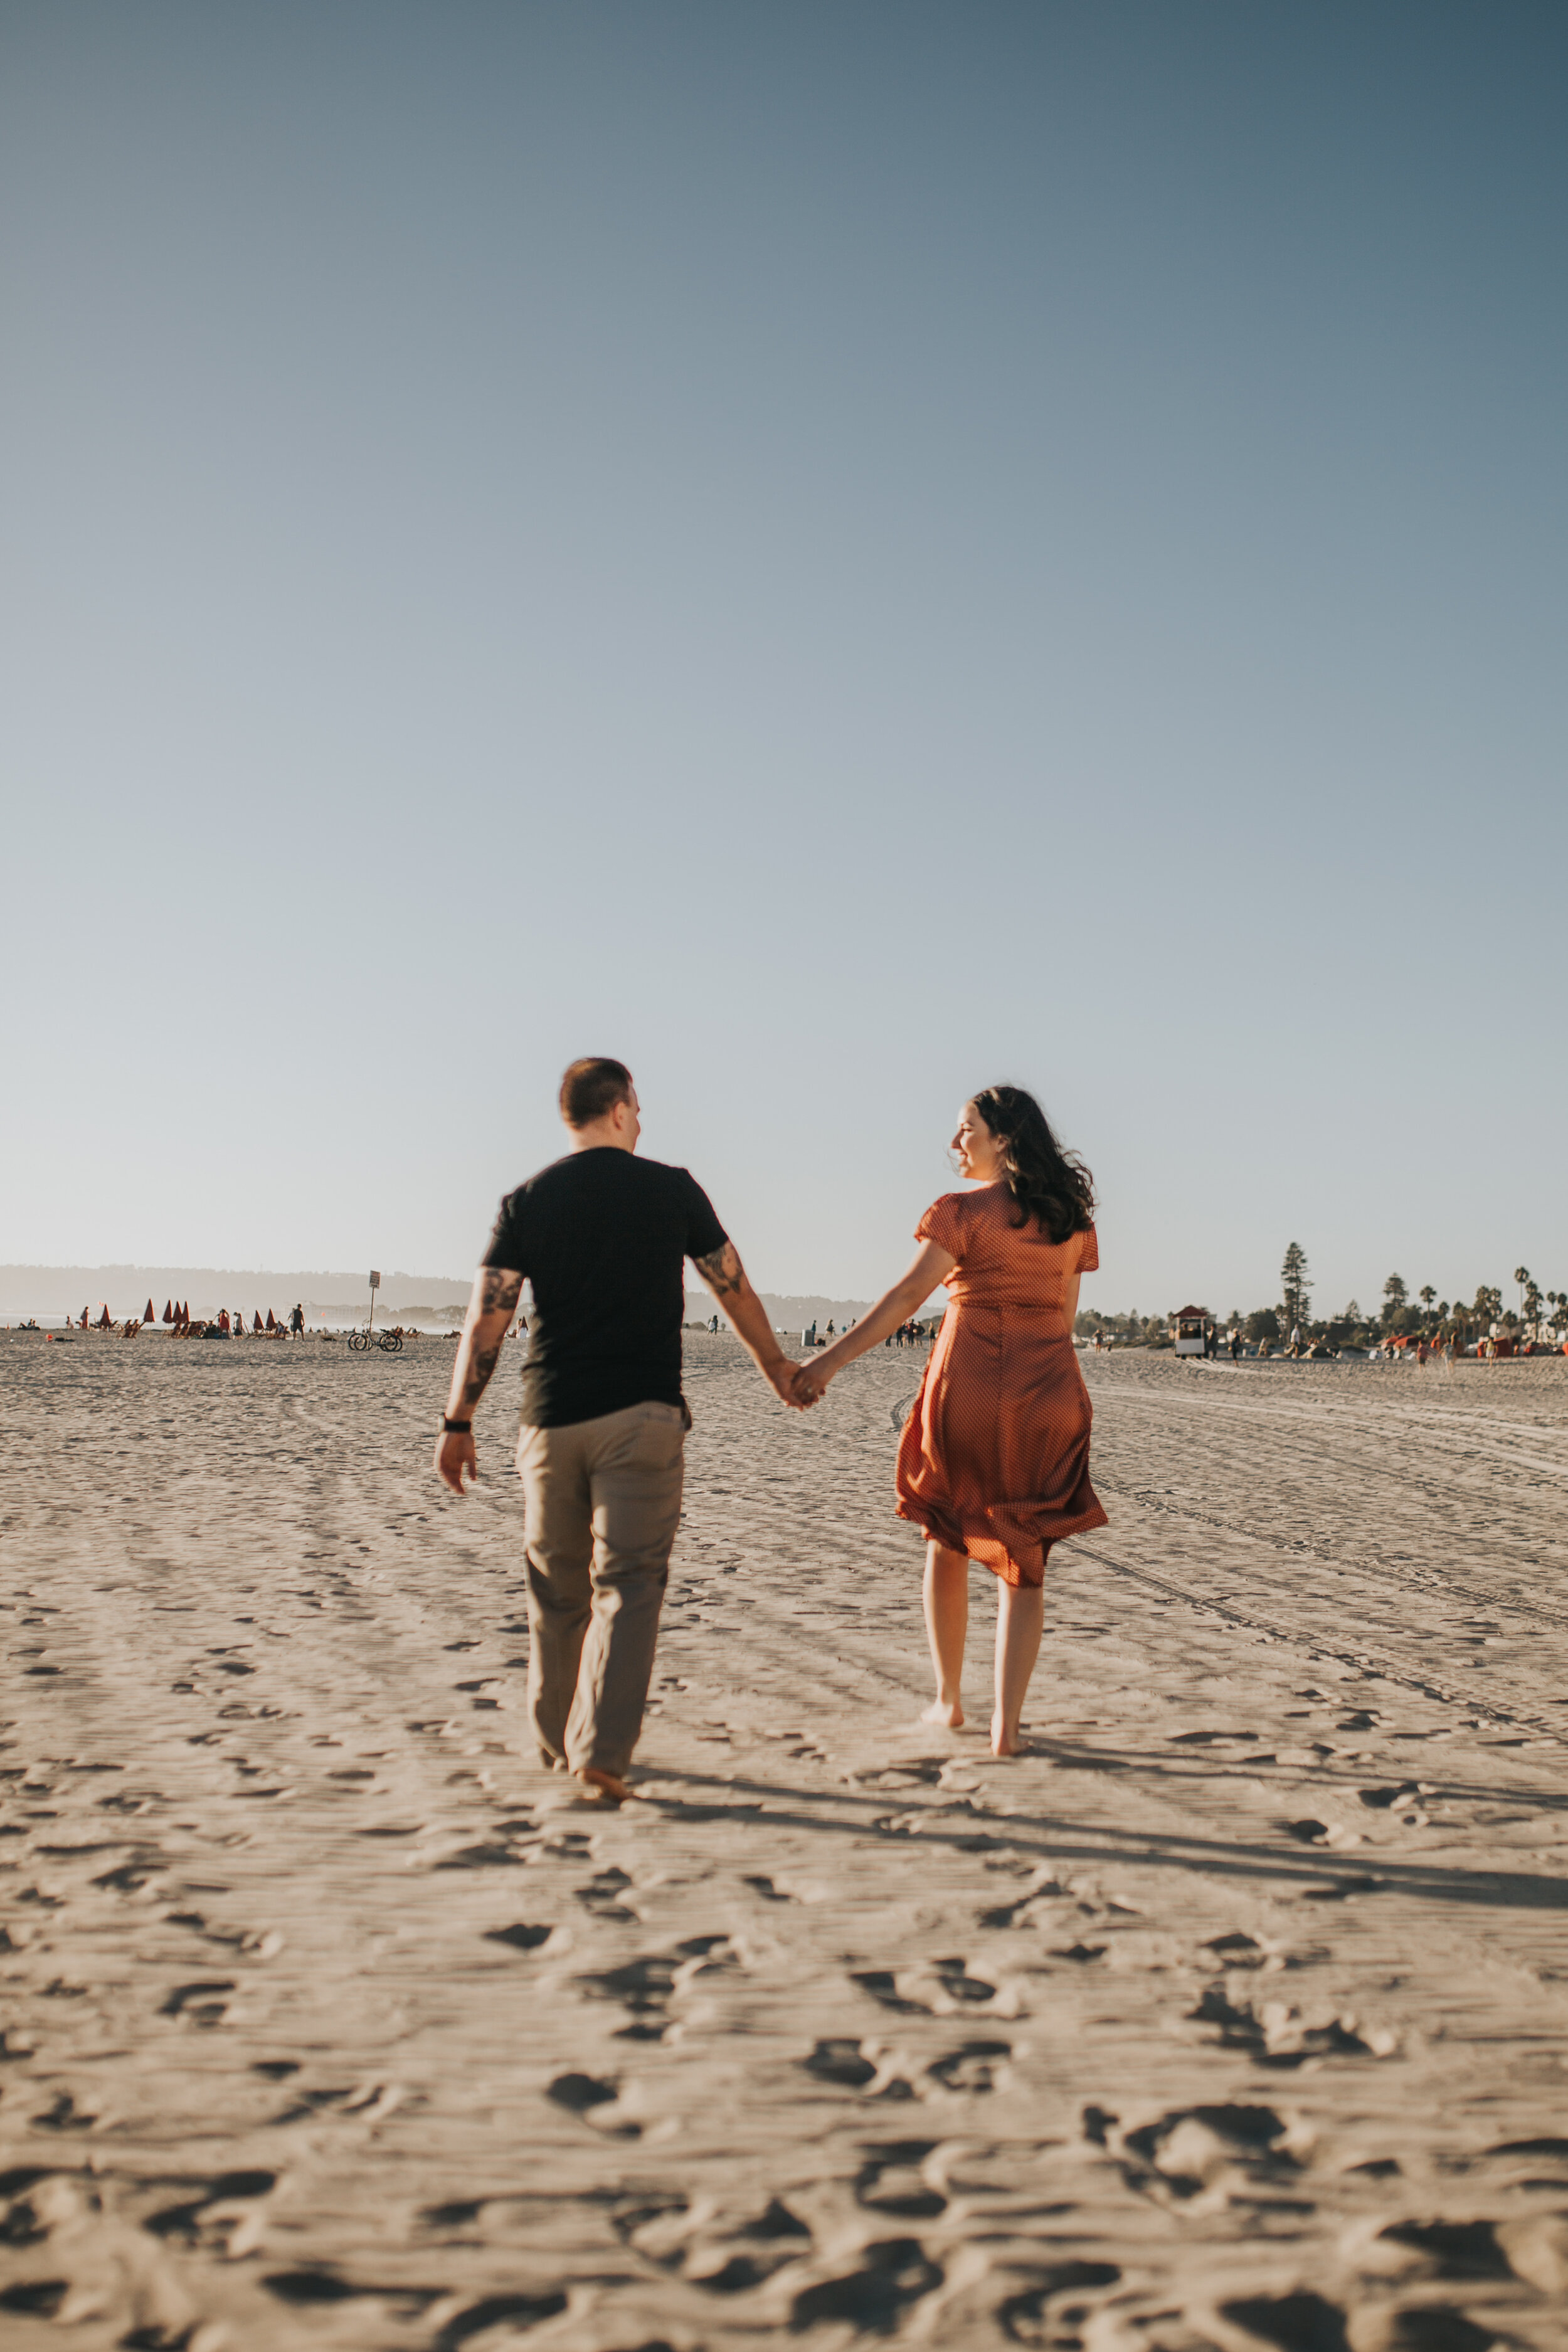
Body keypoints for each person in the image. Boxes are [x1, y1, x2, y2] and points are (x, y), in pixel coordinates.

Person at [433, 1057, 803, 1804]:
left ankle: (553, 1741)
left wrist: (459, 1419)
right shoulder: (671, 1188)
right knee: (630, 1584)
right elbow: (730, 1282)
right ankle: (601, 1753)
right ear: (623, 1107)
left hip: (550, 1421)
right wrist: (774, 1368)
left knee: (556, 1590)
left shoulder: (527, 1200)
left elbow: (489, 1318)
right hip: (642, 1418)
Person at [792, 1084, 1106, 1758]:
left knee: (946, 1532)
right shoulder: (1070, 1219)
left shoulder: (959, 1213)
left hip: (968, 1386)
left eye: (966, 1129)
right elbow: (1065, 1318)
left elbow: (906, 1298)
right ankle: (1008, 1728)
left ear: (1003, 1138)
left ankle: (949, 1701)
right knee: (1026, 1559)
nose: (956, 1143)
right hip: (1049, 1393)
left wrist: (824, 1364)